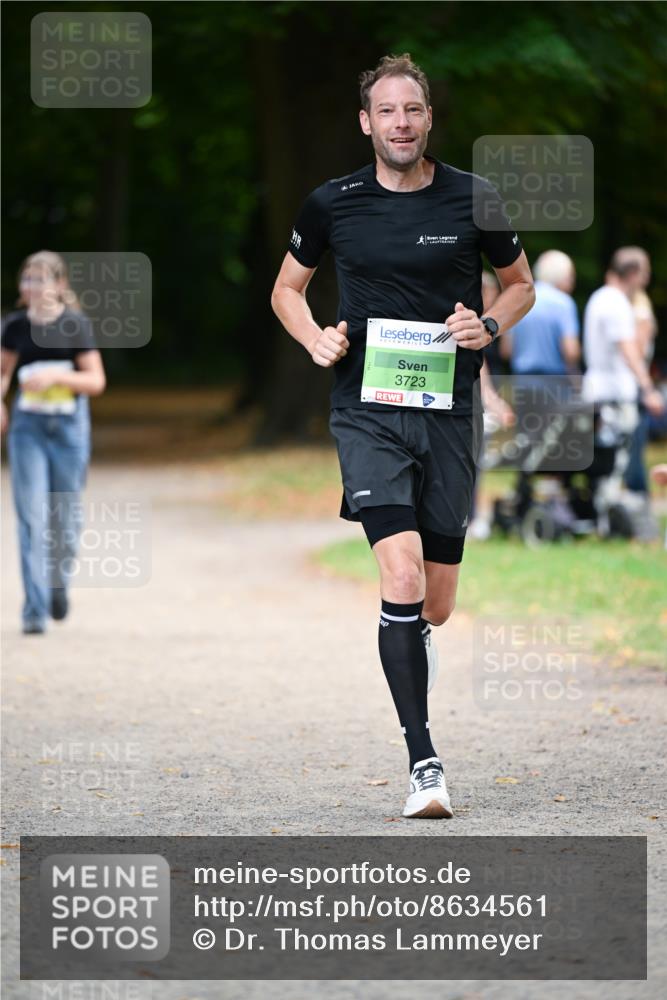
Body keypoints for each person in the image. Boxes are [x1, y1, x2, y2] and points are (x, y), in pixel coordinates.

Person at [271, 54, 534, 818]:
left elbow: (520, 285)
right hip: (366, 412)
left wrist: (485, 325)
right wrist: (314, 338)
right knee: (403, 579)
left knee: (438, 605)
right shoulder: (332, 204)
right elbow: (287, 291)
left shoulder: (471, 198)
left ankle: (410, 644)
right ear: (366, 122)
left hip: (448, 414)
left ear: (427, 118)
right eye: (386, 111)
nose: (400, 123)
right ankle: (424, 761)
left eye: (411, 110)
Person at [1, 251, 106, 634]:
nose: (32, 286)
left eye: (41, 279)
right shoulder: (13, 326)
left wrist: (57, 381)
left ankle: (57, 583)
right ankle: (34, 609)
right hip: (28, 429)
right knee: (30, 516)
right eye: (27, 279)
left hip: (68, 432)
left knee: (65, 517)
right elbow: (3, 372)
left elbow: (96, 382)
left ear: (59, 285)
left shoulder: (74, 325)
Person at [500, 250, 581, 520]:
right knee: (556, 447)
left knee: (527, 444)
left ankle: (522, 502)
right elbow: (570, 350)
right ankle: (554, 508)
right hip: (553, 383)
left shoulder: (520, 300)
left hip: (522, 383)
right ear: (562, 277)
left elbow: (507, 350)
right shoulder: (563, 303)